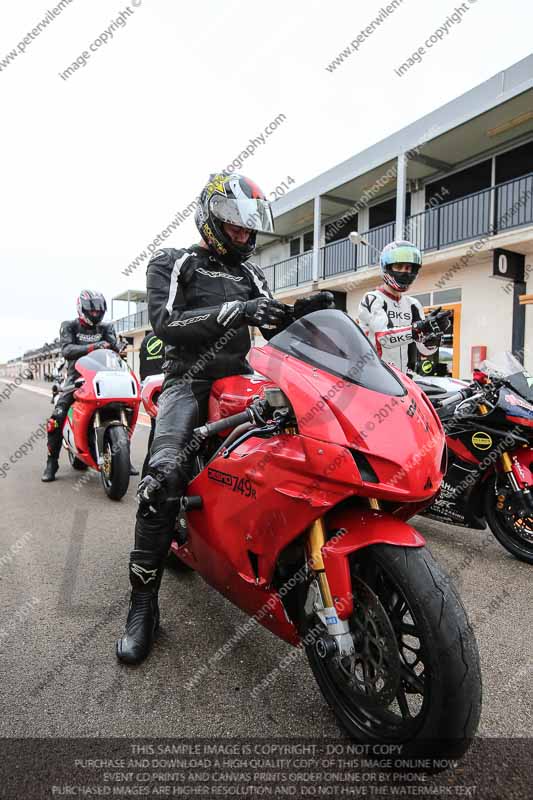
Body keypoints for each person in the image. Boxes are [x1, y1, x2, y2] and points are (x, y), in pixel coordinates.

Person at [116, 172, 334, 664]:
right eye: (234, 225)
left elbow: (273, 322)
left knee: (310, 446)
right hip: (187, 382)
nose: (243, 234)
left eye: (249, 227)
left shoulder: (252, 274)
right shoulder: (175, 262)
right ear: (211, 219)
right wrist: (238, 311)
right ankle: (143, 605)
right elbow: (166, 324)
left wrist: (306, 312)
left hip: (245, 382)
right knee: (162, 475)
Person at [41, 291, 120, 482]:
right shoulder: (69, 326)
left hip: (104, 378)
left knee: (121, 408)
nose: (95, 314)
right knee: (56, 419)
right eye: (91, 311)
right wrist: (93, 347)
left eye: (99, 311)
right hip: (76, 381)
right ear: (82, 309)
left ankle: (120, 455)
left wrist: (115, 346)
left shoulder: (107, 327)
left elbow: (115, 348)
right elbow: (67, 350)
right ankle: (52, 462)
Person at [357, 240, 451, 374]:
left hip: (406, 380)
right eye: (399, 266)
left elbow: (424, 349)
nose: (405, 272)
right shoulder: (372, 298)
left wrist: (433, 335)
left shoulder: (414, 304)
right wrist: (419, 328)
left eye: (408, 268)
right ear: (387, 267)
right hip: (376, 378)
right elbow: (385, 338)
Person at [138, 329, 165, 476]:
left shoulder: (147, 339)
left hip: (153, 391)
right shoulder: (175, 332)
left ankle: (147, 477)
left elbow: (144, 373)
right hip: (168, 390)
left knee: (156, 435)